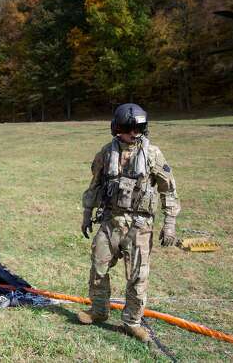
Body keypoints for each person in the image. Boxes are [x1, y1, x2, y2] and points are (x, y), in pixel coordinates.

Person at [78, 103, 181, 343]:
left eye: (139, 128)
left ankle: (132, 321)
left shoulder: (153, 154)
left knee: (137, 275)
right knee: (98, 266)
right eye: (128, 128)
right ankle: (99, 311)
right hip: (111, 220)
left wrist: (170, 223)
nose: (134, 133)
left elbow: (169, 189)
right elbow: (94, 185)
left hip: (140, 225)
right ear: (117, 128)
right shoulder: (105, 153)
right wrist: (86, 213)